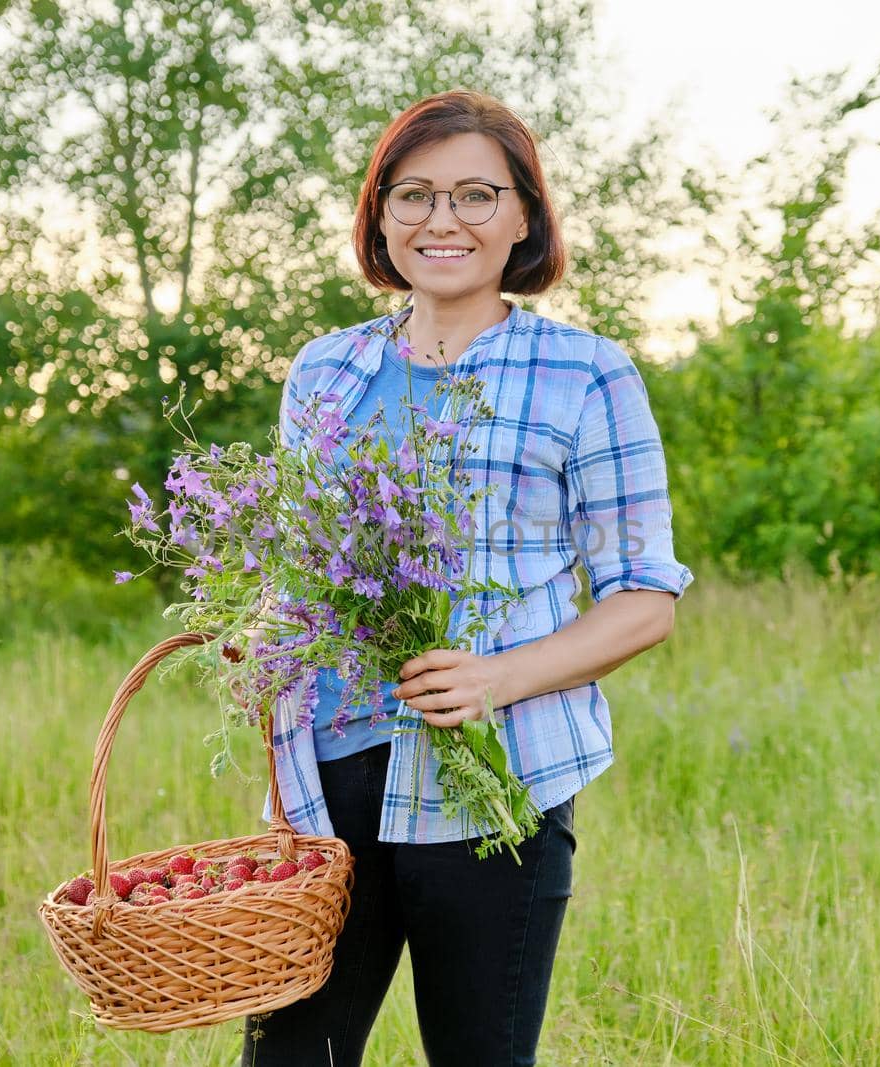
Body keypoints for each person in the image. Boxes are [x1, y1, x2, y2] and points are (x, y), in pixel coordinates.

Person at [241, 89, 693, 1067]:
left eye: (475, 194)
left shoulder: (586, 373)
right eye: (412, 196)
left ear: (525, 215)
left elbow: (645, 599)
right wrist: (272, 720)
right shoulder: (326, 369)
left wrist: (498, 676)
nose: (441, 220)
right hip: (328, 783)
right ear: (379, 217)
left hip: (497, 783)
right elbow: (300, 574)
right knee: (288, 1059)